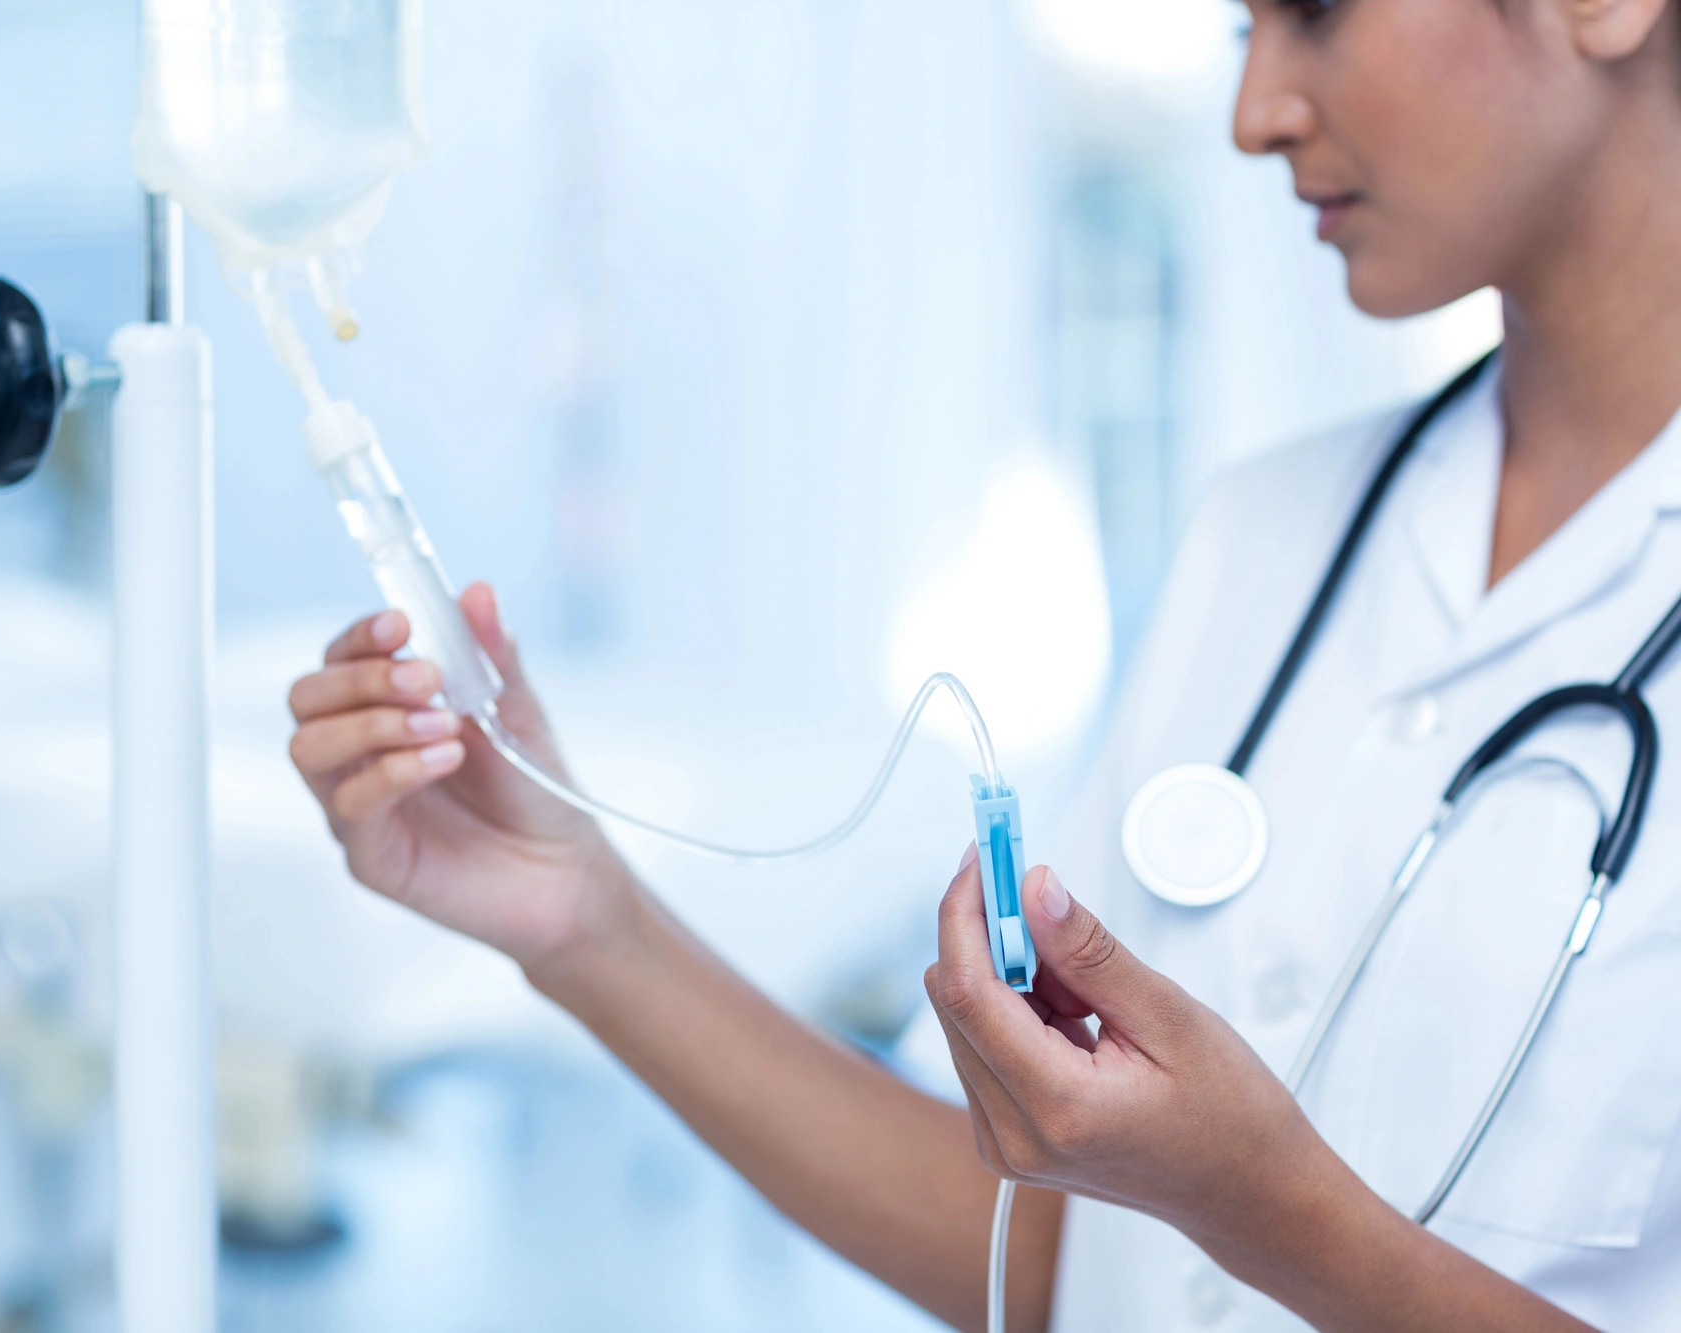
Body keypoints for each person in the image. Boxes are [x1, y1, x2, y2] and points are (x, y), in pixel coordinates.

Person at [285, 0, 1681, 1326]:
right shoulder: (1271, 535)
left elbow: (1223, 1218)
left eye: (1316, 10)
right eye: (1240, 30)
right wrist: (585, 921)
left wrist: (1268, 1210)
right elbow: (1066, 1263)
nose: (1254, 113)